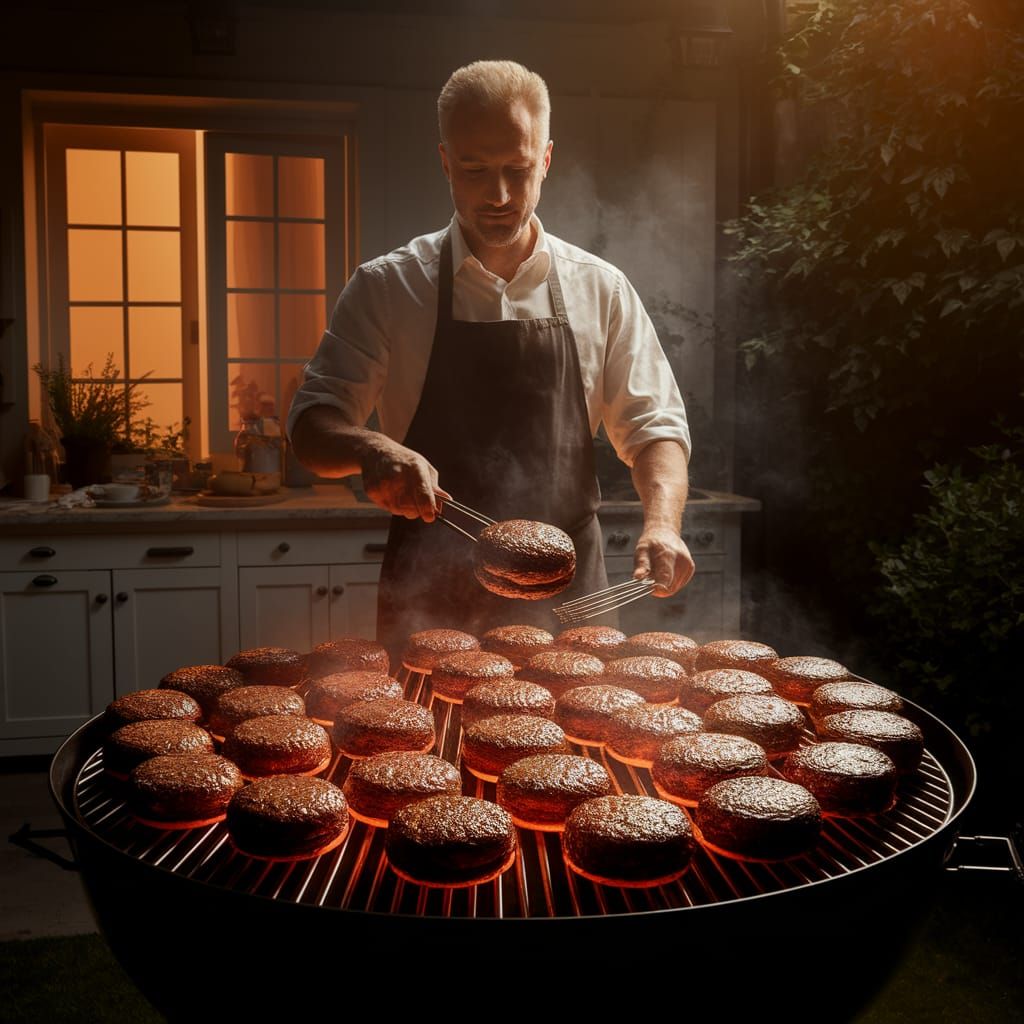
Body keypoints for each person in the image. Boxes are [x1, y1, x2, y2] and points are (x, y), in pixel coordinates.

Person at [288, 59, 694, 659]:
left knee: (579, 743)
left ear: (547, 160)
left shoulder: (600, 288)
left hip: (569, 600)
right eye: (475, 170)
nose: (499, 195)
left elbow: (654, 426)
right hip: (430, 596)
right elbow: (311, 426)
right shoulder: (389, 286)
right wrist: (373, 449)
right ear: (446, 161)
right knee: (415, 749)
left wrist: (662, 523)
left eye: (517, 170)